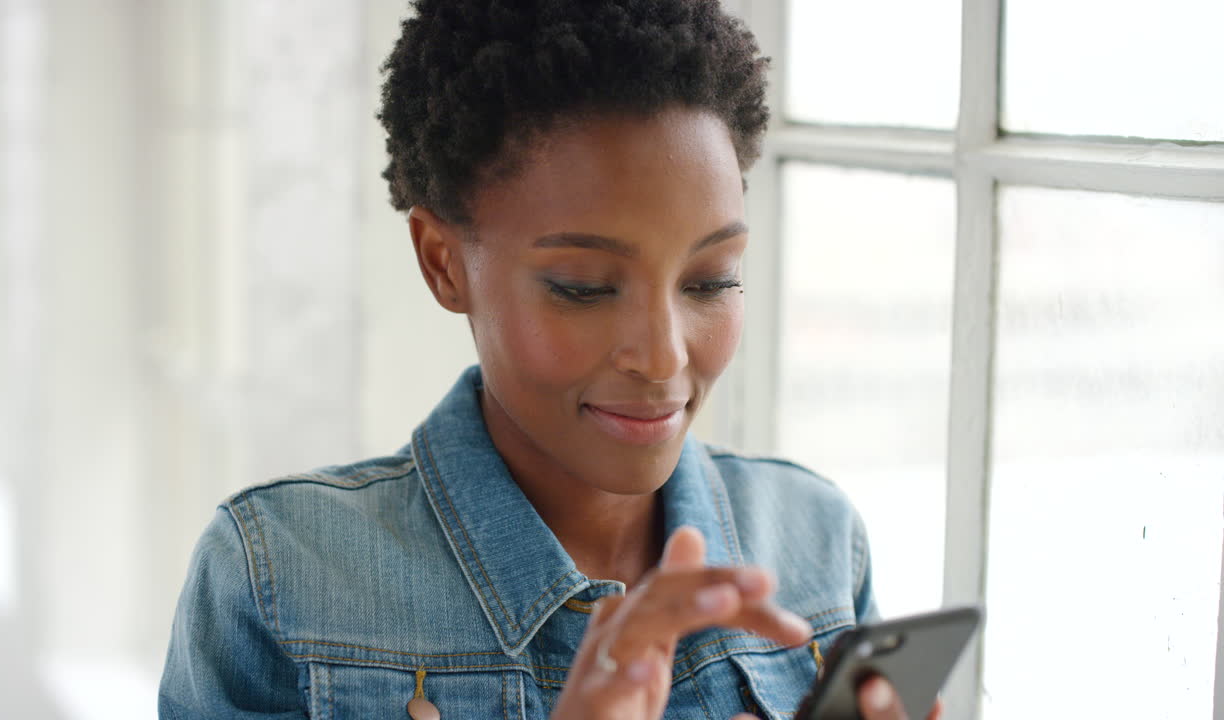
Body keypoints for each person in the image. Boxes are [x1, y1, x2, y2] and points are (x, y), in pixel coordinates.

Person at [159, 1, 941, 718]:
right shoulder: (280, 577)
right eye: (584, 288)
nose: (663, 355)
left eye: (711, 279)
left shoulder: (817, 542)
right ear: (444, 263)